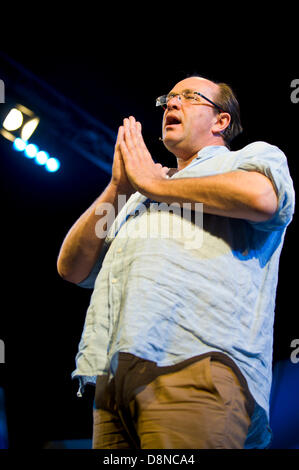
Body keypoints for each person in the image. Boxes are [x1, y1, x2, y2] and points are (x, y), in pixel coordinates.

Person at [57, 75, 295, 449]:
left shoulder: (248, 159)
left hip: (197, 363)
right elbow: (72, 268)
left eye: (188, 97)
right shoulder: (137, 191)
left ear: (221, 121)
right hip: (113, 382)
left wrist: (155, 186)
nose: (171, 103)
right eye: (168, 98)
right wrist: (119, 187)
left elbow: (262, 198)